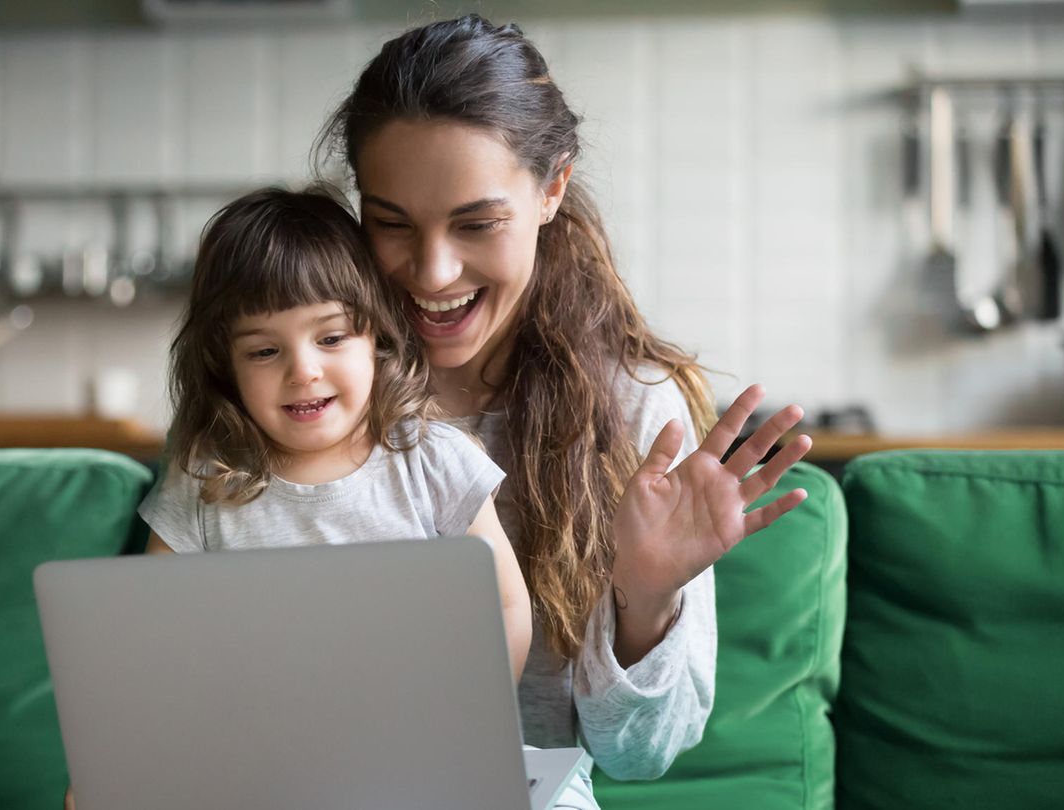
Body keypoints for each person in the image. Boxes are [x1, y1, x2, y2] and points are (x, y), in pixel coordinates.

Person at [313, 14, 813, 782]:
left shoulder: (638, 414)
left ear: (553, 189)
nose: (434, 271)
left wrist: (644, 601)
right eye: (391, 224)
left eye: (477, 223)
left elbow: (640, 757)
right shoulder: (310, 393)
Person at [138, 186, 532, 682]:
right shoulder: (204, 479)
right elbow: (155, 624)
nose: (303, 371)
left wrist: (477, 708)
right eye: (263, 351)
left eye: (331, 338)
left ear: (377, 339)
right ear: (226, 366)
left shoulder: (432, 460)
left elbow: (505, 606)